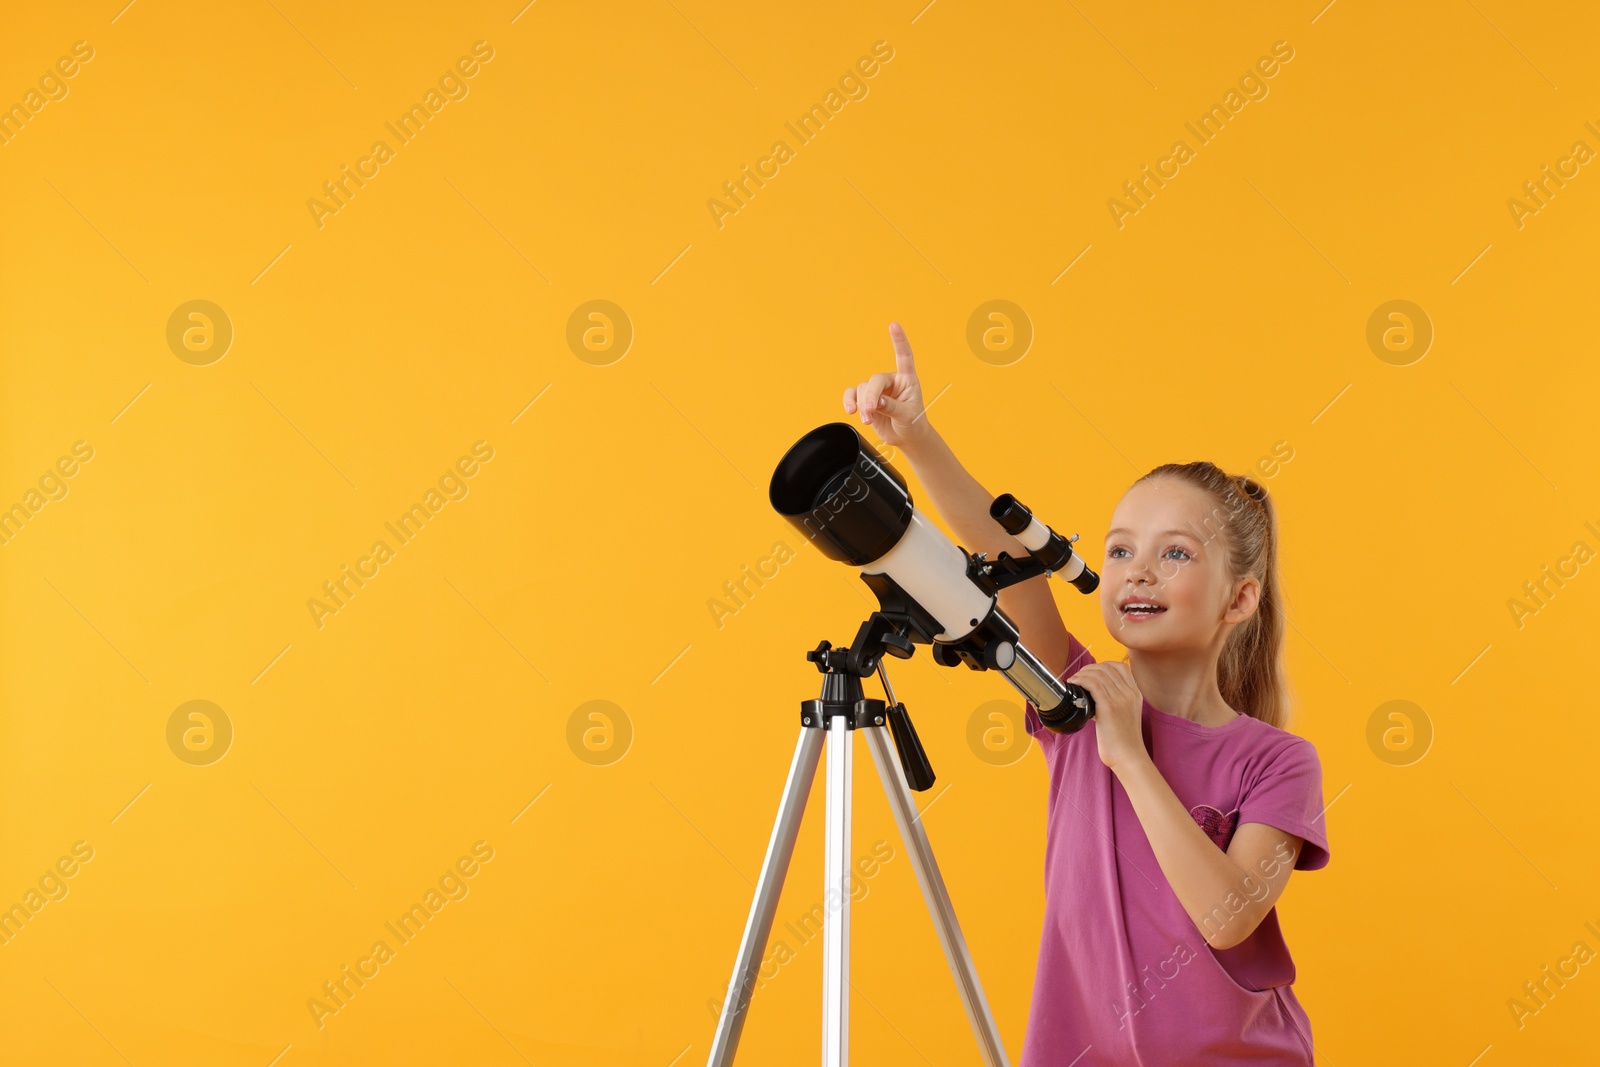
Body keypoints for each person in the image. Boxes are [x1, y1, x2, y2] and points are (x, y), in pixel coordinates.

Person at [842, 323, 1330, 1065]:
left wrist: (1131, 757)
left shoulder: (1277, 761)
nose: (1138, 571)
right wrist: (917, 440)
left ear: (1239, 600)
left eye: (1175, 553)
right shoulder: (1067, 701)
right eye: (1121, 548)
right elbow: (1010, 565)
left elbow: (1230, 916)